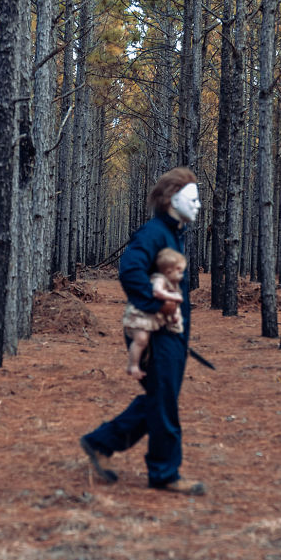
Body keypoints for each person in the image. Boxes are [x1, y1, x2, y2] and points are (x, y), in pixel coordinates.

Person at [80, 167, 206, 496]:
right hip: (154, 335)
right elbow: (130, 269)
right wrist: (155, 305)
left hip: (170, 334)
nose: (199, 206)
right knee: (164, 402)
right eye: (192, 199)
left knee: (159, 399)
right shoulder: (154, 233)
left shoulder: (174, 233)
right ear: (170, 199)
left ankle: (101, 442)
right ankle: (165, 473)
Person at [123, 247, 186, 380]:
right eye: (179, 271)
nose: (181, 274)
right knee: (141, 339)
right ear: (168, 271)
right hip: (141, 316)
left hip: (154, 317)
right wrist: (174, 297)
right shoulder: (159, 279)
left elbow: (173, 306)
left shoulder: (173, 284)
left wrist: (175, 315)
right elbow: (157, 292)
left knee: (157, 342)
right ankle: (133, 365)